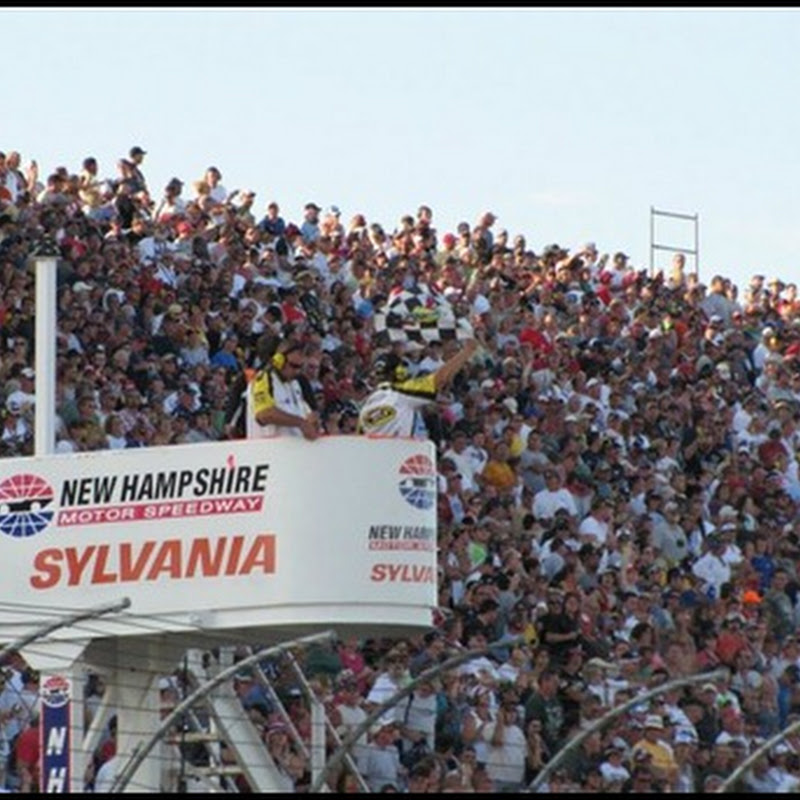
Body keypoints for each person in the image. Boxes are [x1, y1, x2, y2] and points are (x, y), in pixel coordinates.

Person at [357, 338, 479, 438]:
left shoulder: (368, 402)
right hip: (396, 454)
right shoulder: (402, 392)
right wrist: (467, 351)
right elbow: (441, 378)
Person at [246, 338, 320, 440]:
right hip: (267, 448)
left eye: (300, 367)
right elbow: (264, 414)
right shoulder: (263, 379)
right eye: (293, 366)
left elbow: (306, 414)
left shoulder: (295, 384)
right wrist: (300, 423)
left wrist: (312, 420)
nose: (297, 371)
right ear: (279, 360)